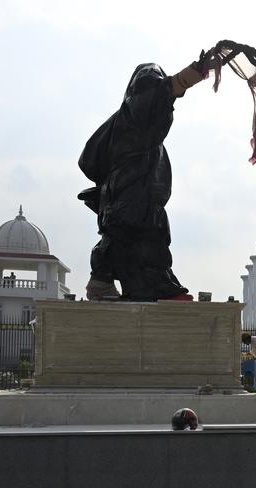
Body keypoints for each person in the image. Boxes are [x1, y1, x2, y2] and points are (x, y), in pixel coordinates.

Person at [78, 50, 223, 302]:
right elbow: (162, 92)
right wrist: (194, 73)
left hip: (139, 199)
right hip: (128, 195)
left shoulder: (140, 131)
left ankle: (127, 285)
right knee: (127, 236)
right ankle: (105, 282)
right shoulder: (131, 119)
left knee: (145, 239)